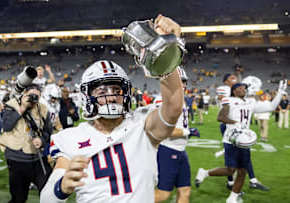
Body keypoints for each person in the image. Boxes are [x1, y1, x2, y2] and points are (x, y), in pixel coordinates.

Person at [40, 14, 184, 203]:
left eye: (116, 89)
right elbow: (46, 199)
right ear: (87, 96)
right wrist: (62, 187)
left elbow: (173, 106)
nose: (111, 95)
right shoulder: (69, 138)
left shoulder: (142, 124)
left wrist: (167, 51)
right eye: (102, 90)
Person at [195, 81, 287, 203]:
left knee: (243, 170)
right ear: (234, 91)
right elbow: (221, 117)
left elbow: (271, 107)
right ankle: (204, 173)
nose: (244, 89)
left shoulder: (251, 102)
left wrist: (280, 93)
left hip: (244, 140)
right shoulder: (229, 100)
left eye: (245, 88)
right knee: (230, 170)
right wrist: (235, 123)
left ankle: (233, 197)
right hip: (231, 140)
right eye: (241, 88)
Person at [0, 84, 53, 203]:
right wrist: (22, 108)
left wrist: (42, 140)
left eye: (36, 97)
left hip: (38, 158)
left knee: (49, 194)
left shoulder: (43, 109)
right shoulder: (12, 105)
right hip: (17, 159)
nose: (33, 99)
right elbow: (7, 126)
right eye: (30, 95)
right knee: (19, 198)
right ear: (24, 94)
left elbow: (48, 132)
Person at [154, 67, 200, 203]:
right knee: (163, 194)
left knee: (185, 190)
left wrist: (186, 131)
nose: (182, 85)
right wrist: (188, 132)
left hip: (180, 151)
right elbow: (161, 130)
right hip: (167, 150)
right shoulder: (162, 100)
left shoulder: (181, 100)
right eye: (178, 81)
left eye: (184, 81)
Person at [216, 73, 266, 191]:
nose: (234, 79)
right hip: (228, 124)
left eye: (234, 77)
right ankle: (231, 181)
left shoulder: (239, 90)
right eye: (231, 78)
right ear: (226, 81)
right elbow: (224, 103)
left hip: (240, 125)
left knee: (245, 151)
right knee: (232, 154)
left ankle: (252, 180)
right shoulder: (224, 90)